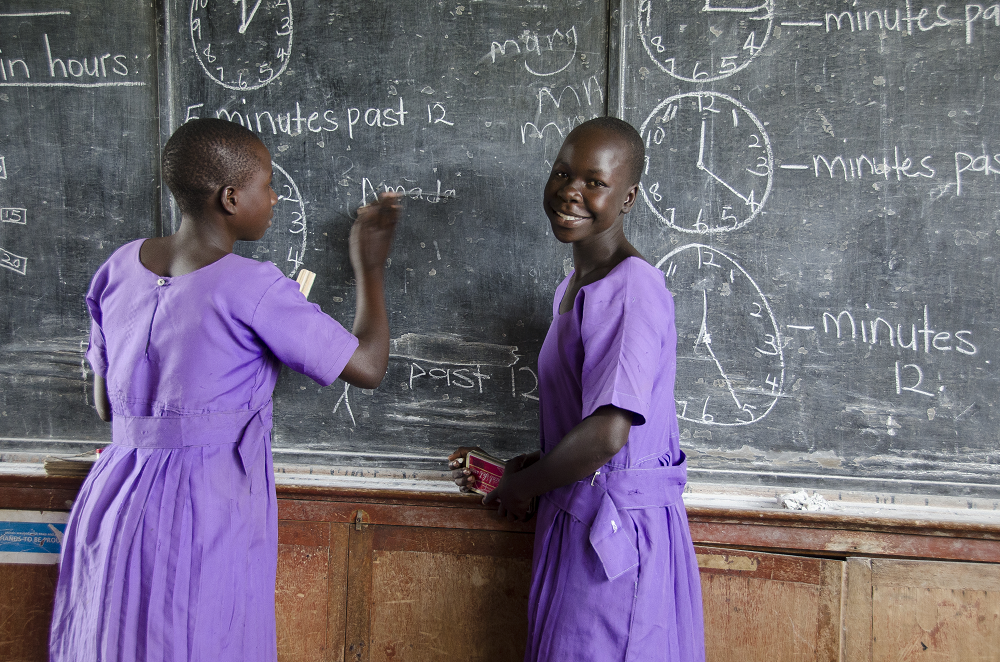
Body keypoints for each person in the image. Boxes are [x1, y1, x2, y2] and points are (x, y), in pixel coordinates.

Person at [49, 117, 399, 662]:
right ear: (231, 197)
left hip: (113, 495)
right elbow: (370, 366)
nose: (276, 196)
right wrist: (369, 265)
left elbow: (103, 406)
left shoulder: (118, 266)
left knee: (112, 638)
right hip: (203, 503)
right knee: (197, 638)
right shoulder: (254, 286)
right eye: (267, 185)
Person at [449, 117, 705, 661]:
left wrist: (525, 489)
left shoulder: (631, 286)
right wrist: (537, 466)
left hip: (615, 539)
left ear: (629, 196)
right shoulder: (575, 286)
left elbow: (609, 433)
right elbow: (586, 423)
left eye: (595, 181)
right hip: (581, 521)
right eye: (562, 173)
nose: (571, 191)